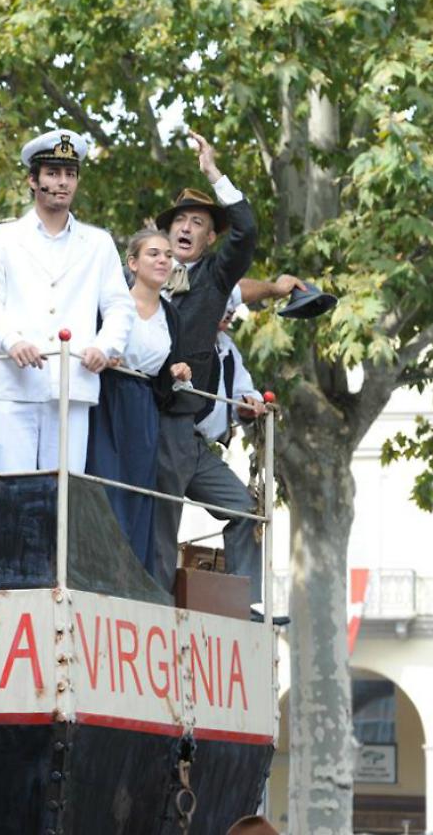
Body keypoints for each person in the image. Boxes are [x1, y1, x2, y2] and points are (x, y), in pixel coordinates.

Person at [0, 129, 135, 472]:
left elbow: (120, 306)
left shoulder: (98, 242)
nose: (63, 182)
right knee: (8, 489)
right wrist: (11, 340)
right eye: (52, 173)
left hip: (73, 381)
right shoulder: (1, 239)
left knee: (63, 493)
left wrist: (105, 347)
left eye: (70, 174)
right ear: (32, 180)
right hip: (12, 384)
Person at [153, 129, 261, 597]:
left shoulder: (216, 276)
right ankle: (152, 601)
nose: (185, 227)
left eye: (197, 222)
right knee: (156, 516)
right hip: (141, 417)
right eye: (180, 220)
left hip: (186, 430)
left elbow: (248, 231)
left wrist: (214, 172)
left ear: (211, 236)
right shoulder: (138, 275)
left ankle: (246, 605)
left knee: (245, 509)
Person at [87, 228, 191, 576]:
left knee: (139, 493)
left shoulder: (171, 315)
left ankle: (132, 578)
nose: (163, 260)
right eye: (153, 254)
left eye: (167, 255)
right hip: (107, 400)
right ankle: (100, 574)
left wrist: (177, 372)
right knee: (105, 486)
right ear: (132, 262)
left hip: (143, 407)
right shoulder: (112, 303)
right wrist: (104, 359)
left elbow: (164, 372)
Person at [195, 289, 266, 446]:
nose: (231, 311)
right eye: (226, 304)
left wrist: (247, 407)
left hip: (203, 446)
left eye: (233, 306)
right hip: (175, 437)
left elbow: (242, 394)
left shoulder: (228, 349)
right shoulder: (187, 335)